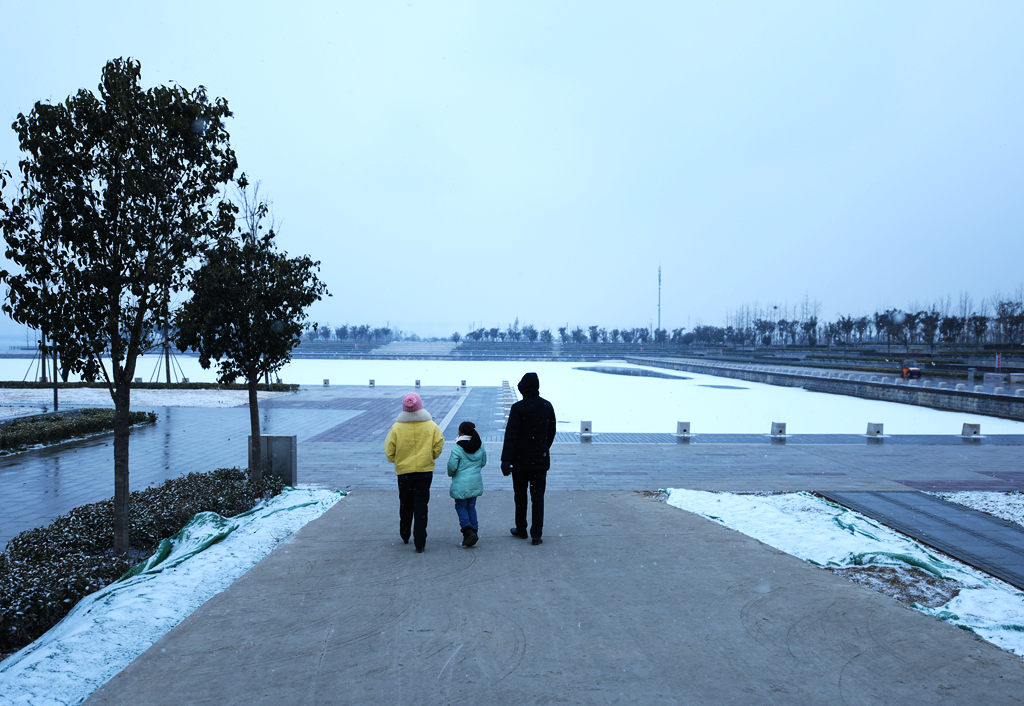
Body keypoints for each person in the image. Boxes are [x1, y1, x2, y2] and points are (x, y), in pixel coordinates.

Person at [384, 392, 444, 553]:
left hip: (404, 472)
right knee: (421, 505)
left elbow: (389, 450)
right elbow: (439, 444)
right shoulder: (431, 425)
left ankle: (405, 533)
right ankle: (420, 542)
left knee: (405, 503)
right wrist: (431, 456)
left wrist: (396, 460)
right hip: (424, 471)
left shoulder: (397, 427)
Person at [501, 372, 556, 545]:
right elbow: (551, 432)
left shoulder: (518, 408)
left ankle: (521, 528)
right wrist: (543, 447)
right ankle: (537, 533)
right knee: (538, 498)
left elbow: (510, 435)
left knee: (520, 496)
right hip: (540, 460)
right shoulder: (547, 406)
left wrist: (506, 460)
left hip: (520, 461)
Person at [446, 420, 486, 547]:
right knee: (471, 506)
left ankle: (468, 532)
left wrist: (452, 473)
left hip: (461, 484)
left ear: (461, 432)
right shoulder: (480, 445)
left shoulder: (457, 448)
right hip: (474, 482)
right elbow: (483, 462)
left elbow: (452, 467)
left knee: (461, 506)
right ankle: (474, 530)